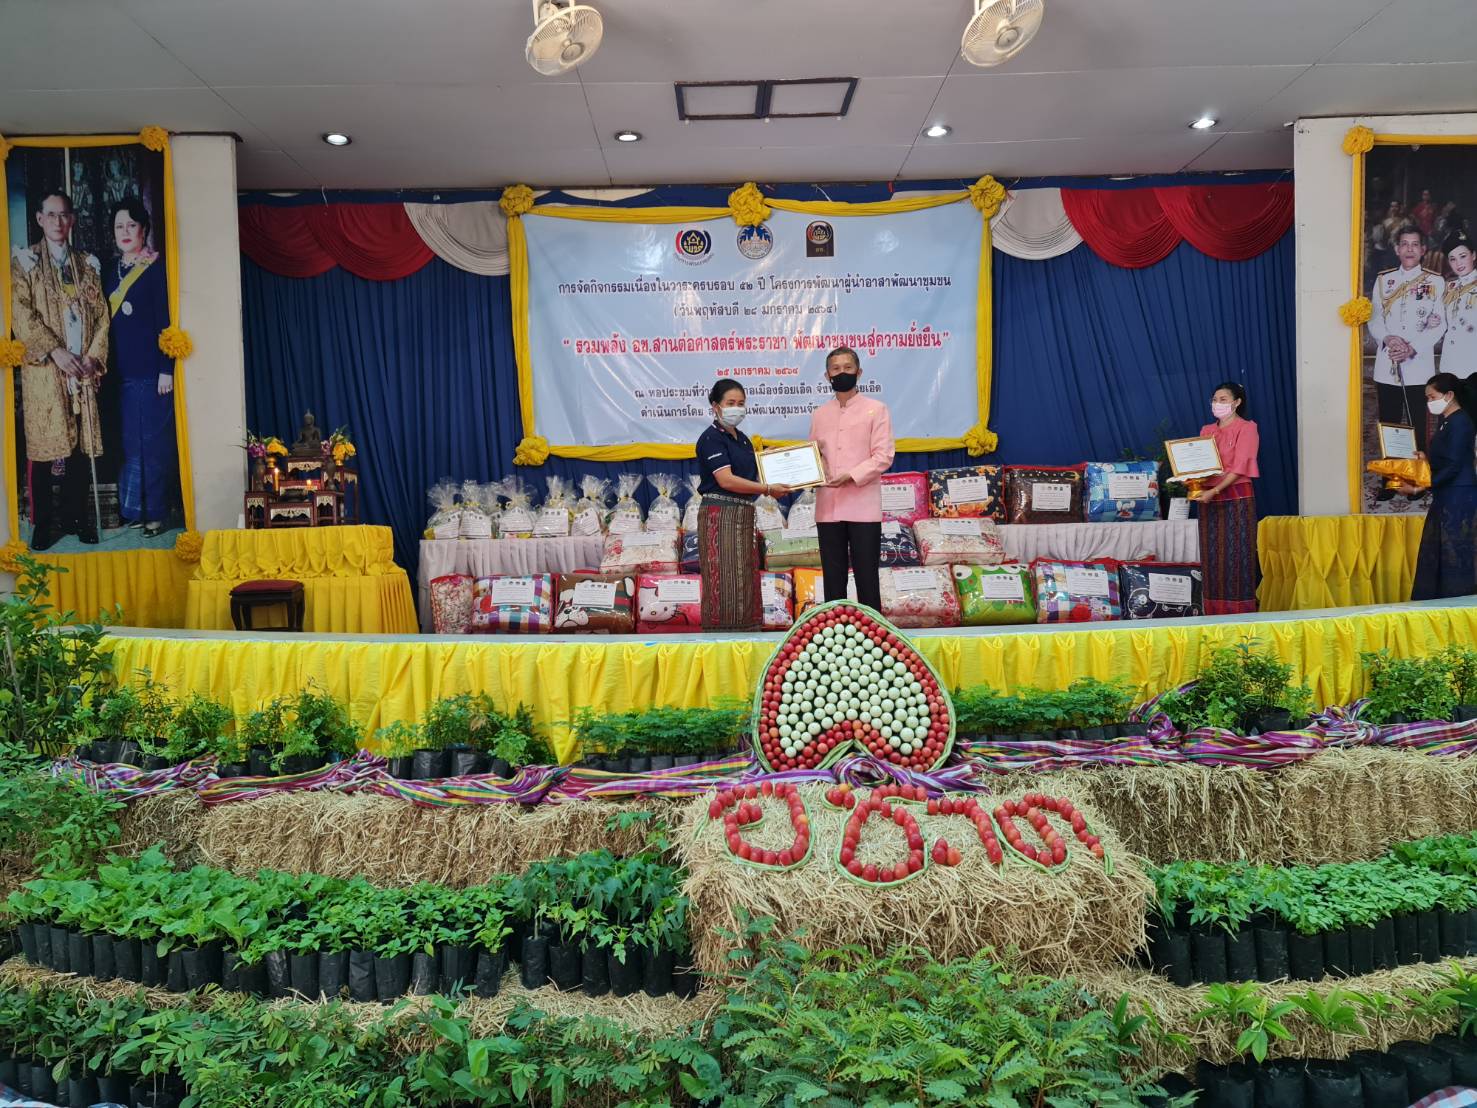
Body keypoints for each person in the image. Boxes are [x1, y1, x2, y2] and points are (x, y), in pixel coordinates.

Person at [10, 189, 109, 550]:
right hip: (46, 371)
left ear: (72, 220)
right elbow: (20, 313)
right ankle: (43, 523)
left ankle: (76, 517)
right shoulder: (25, 263)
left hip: (82, 369)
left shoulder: (87, 264)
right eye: (51, 215)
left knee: (80, 448)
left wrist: (92, 357)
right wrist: (55, 350)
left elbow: (101, 316)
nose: (58, 221)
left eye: (64, 214)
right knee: (44, 447)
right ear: (39, 219)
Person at [105, 198, 177, 537]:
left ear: (143, 229)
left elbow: (165, 320)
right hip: (120, 373)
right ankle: (134, 510)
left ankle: (156, 513)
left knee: (152, 445)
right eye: (119, 226)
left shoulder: (155, 269)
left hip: (151, 372)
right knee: (130, 446)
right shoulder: (109, 272)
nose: (125, 232)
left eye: (131, 225)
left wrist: (166, 368)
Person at [695, 379, 791, 630]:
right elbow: (726, 480)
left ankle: (748, 631)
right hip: (720, 515)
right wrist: (768, 489)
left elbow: (752, 472)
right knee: (724, 578)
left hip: (743, 514)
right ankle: (722, 635)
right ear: (716, 406)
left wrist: (779, 465)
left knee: (746, 575)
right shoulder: (711, 438)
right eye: (730, 403)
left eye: (741, 403)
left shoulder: (744, 440)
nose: (736, 408)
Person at [809, 346, 895, 612]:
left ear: (859, 372)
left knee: (866, 576)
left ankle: (872, 631)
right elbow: (814, 455)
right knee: (833, 578)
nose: (841, 373)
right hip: (828, 506)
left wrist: (851, 475)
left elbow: (883, 456)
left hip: (863, 505)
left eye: (848, 368)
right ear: (827, 376)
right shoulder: (820, 413)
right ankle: (834, 629)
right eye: (835, 369)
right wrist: (808, 474)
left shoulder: (876, 409)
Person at [1368, 224, 1447, 457]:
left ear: (1423, 250)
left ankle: (1418, 473)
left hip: (1418, 366)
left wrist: (1411, 348)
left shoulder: (1436, 282)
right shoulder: (1384, 281)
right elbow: (1375, 319)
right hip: (1388, 363)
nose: (1409, 249)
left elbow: (1440, 324)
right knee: (1389, 423)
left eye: (1415, 245)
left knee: (1418, 424)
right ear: (1396, 249)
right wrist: (1388, 338)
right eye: (1404, 244)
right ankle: (1391, 473)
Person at [1409, 372, 1477, 600]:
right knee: (1439, 551)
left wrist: (1423, 485)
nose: (1429, 402)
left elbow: (1454, 465)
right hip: (1447, 494)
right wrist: (1425, 461)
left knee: (1454, 554)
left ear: (1449, 395)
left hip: (1459, 497)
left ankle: (1457, 607)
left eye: (1432, 397)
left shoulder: (1460, 421)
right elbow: (1445, 460)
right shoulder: (1447, 421)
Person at [1195, 382, 1261, 615]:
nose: (1217, 403)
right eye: (1214, 399)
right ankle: (1213, 611)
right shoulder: (1207, 430)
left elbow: (1241, 466)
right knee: (1212, 557)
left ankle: (1240, 614)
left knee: (1237, 556)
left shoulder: (1247, 428)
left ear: (1237, 402)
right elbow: (1200, 465)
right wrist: (1191, 481)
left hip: (1236, 498)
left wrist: (1215, 490)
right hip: (1208, 500)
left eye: (1223, 399)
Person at [1442, 230, 1477, 377]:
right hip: (1450, 363)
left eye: (1463, 256)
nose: (1458, 263)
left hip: (1473, 363)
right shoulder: (1448, 287)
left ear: (1473, 255)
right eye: (1453, 259)